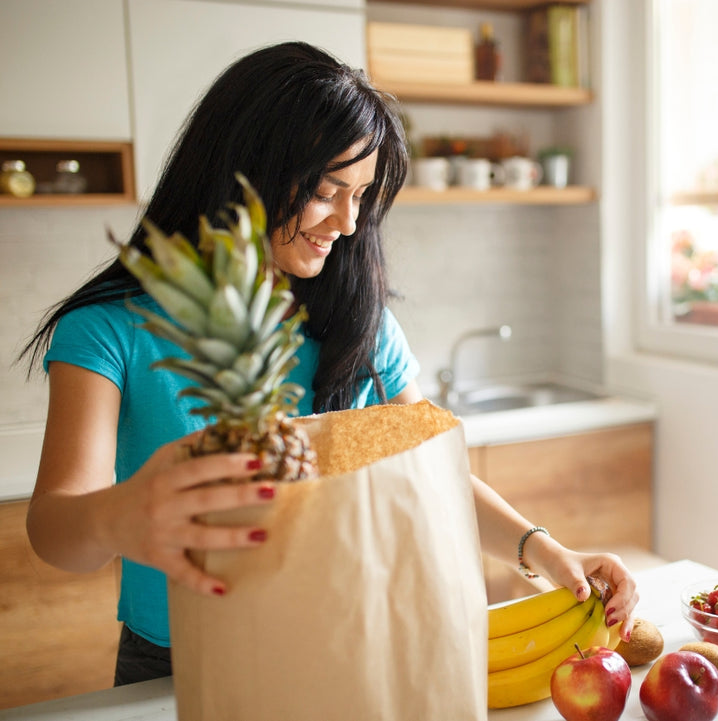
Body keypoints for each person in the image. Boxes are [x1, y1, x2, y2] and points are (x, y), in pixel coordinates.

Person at [19, 41, 638, 686]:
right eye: (325, 191)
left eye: (362, 196)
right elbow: (53, 527)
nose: (347, 222)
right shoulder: (108, 328)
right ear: (245, 172)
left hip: (342, 641)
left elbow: (436, 468)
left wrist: (548, 553)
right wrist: (121, 515)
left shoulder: (359, 319)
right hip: (175, 663)